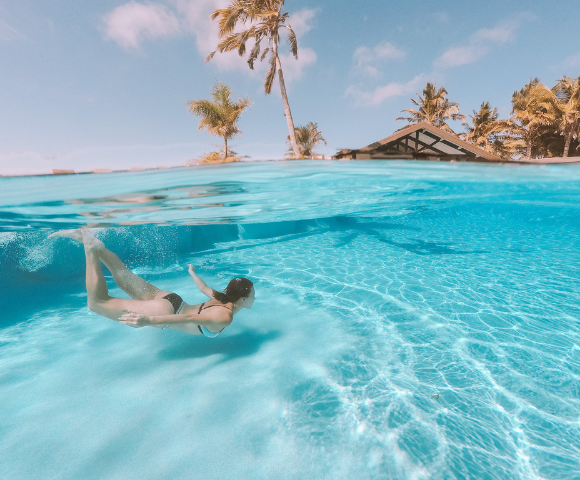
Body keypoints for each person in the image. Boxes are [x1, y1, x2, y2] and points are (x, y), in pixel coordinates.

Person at [49, 228, 254, 336]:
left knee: (124, 278)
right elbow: (191, 318)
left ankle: (92, 242)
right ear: (243, 299)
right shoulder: (225, 316)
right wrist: (150, 321)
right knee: (96, 303)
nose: (254, 298)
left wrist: (192, 272)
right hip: (166, 312)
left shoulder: (220, 298)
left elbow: (203, 288)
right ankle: (90, 248)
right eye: (252, 295)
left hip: (172, 299)